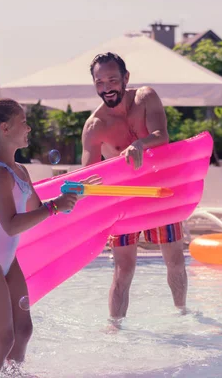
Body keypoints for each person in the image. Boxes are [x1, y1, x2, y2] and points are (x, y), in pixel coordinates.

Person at [0, 98, 99, 376]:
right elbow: (12, 225)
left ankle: (12, 376)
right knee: (3, 340)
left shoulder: (19, 171)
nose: (29, 128)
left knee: (23, 330)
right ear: (5, 128)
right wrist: (54, 207)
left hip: (6, 260)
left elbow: (37, 211)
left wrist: (73, 192)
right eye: (23, 122)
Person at [81, 52, 187, 322]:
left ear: (126, 78)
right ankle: (115, 329)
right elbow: (90, 176)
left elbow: (162, 136)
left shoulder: (146, 98)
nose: (106, 88)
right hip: (124, 199)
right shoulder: (95, 127)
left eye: (112, 80)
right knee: (123, 269)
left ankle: (182, 315)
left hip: (159, 189)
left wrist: (139, 143)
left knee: (174, 260)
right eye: (100, 82)